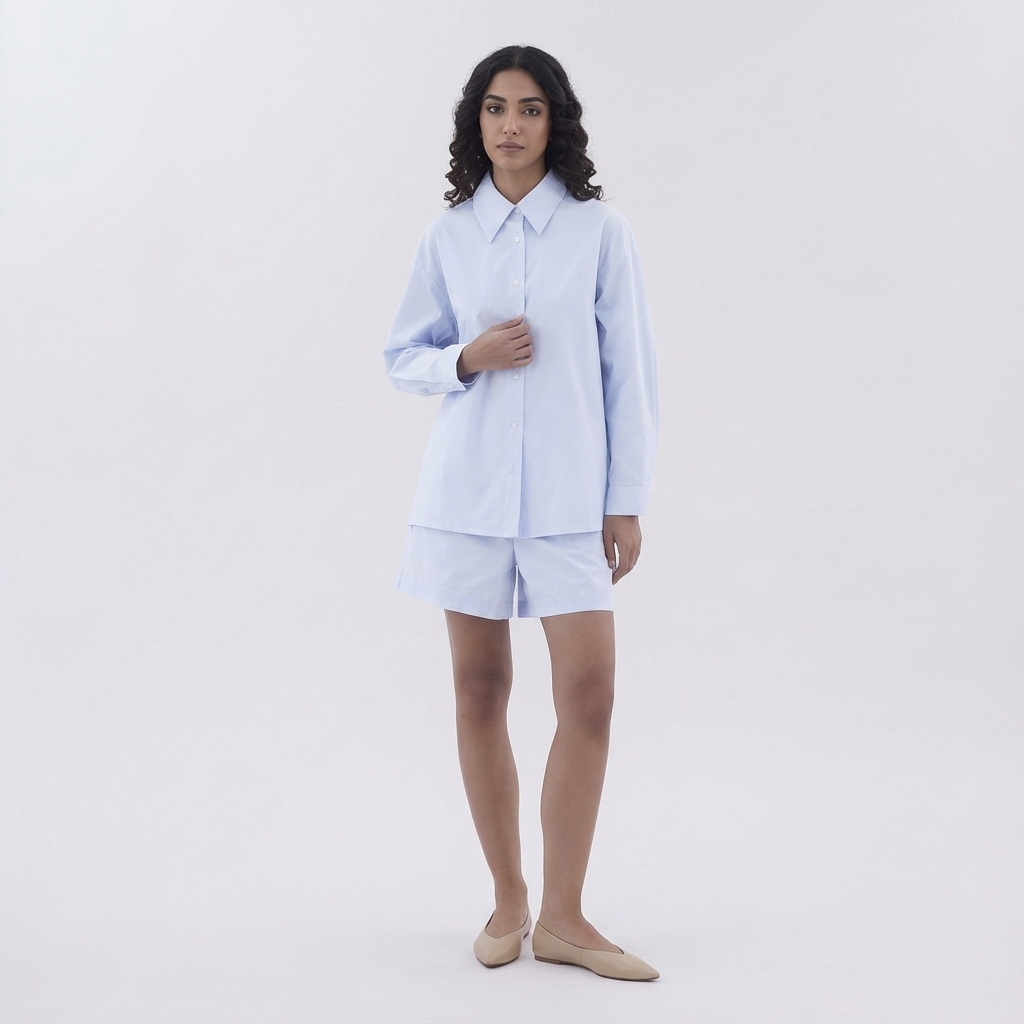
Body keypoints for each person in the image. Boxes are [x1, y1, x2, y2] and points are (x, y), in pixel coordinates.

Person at [383, 44, 660, 982]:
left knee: (590, 695)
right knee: (479, 690)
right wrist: (467, 358)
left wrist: (626, 501)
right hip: (465, 498)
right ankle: (509, 899)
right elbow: (402, 356)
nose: (511, 125)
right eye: (497, 107)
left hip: (571, 500)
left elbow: (630, 374)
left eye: (530, 109)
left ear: (555, 123)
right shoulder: (448, 235)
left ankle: (566, 918)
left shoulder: (599, 231)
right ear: (477, 120)